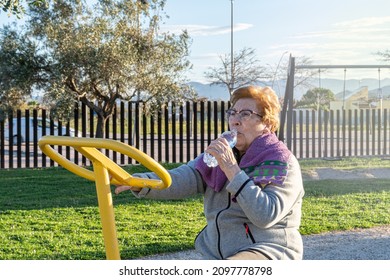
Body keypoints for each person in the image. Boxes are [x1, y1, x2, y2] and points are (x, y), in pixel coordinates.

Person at [115, 85, 304, 260]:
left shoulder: (280, 160)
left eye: (245, 114)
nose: (235, 121)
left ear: (268, 124)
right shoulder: (220, 156)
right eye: (233, 113)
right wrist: (139, 181)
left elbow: (266, 214)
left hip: (271, 249)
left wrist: (232, 169)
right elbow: (185, 177)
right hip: (218, 252)